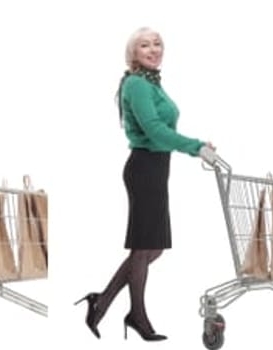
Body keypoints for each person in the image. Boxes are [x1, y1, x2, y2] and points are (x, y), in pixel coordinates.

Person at [77, 27, 210, 342]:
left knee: (154, 247)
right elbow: (154, 130)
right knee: (143, 247)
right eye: (145, 45)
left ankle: (102, 300)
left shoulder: (152, 84)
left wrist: (196, 145)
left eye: (157, 43)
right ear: (133, 53)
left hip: (156, 168)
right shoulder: (137, 84)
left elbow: (160, 129)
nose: (153, 49)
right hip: (145, 168)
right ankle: (136, 315)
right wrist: (196, 146)